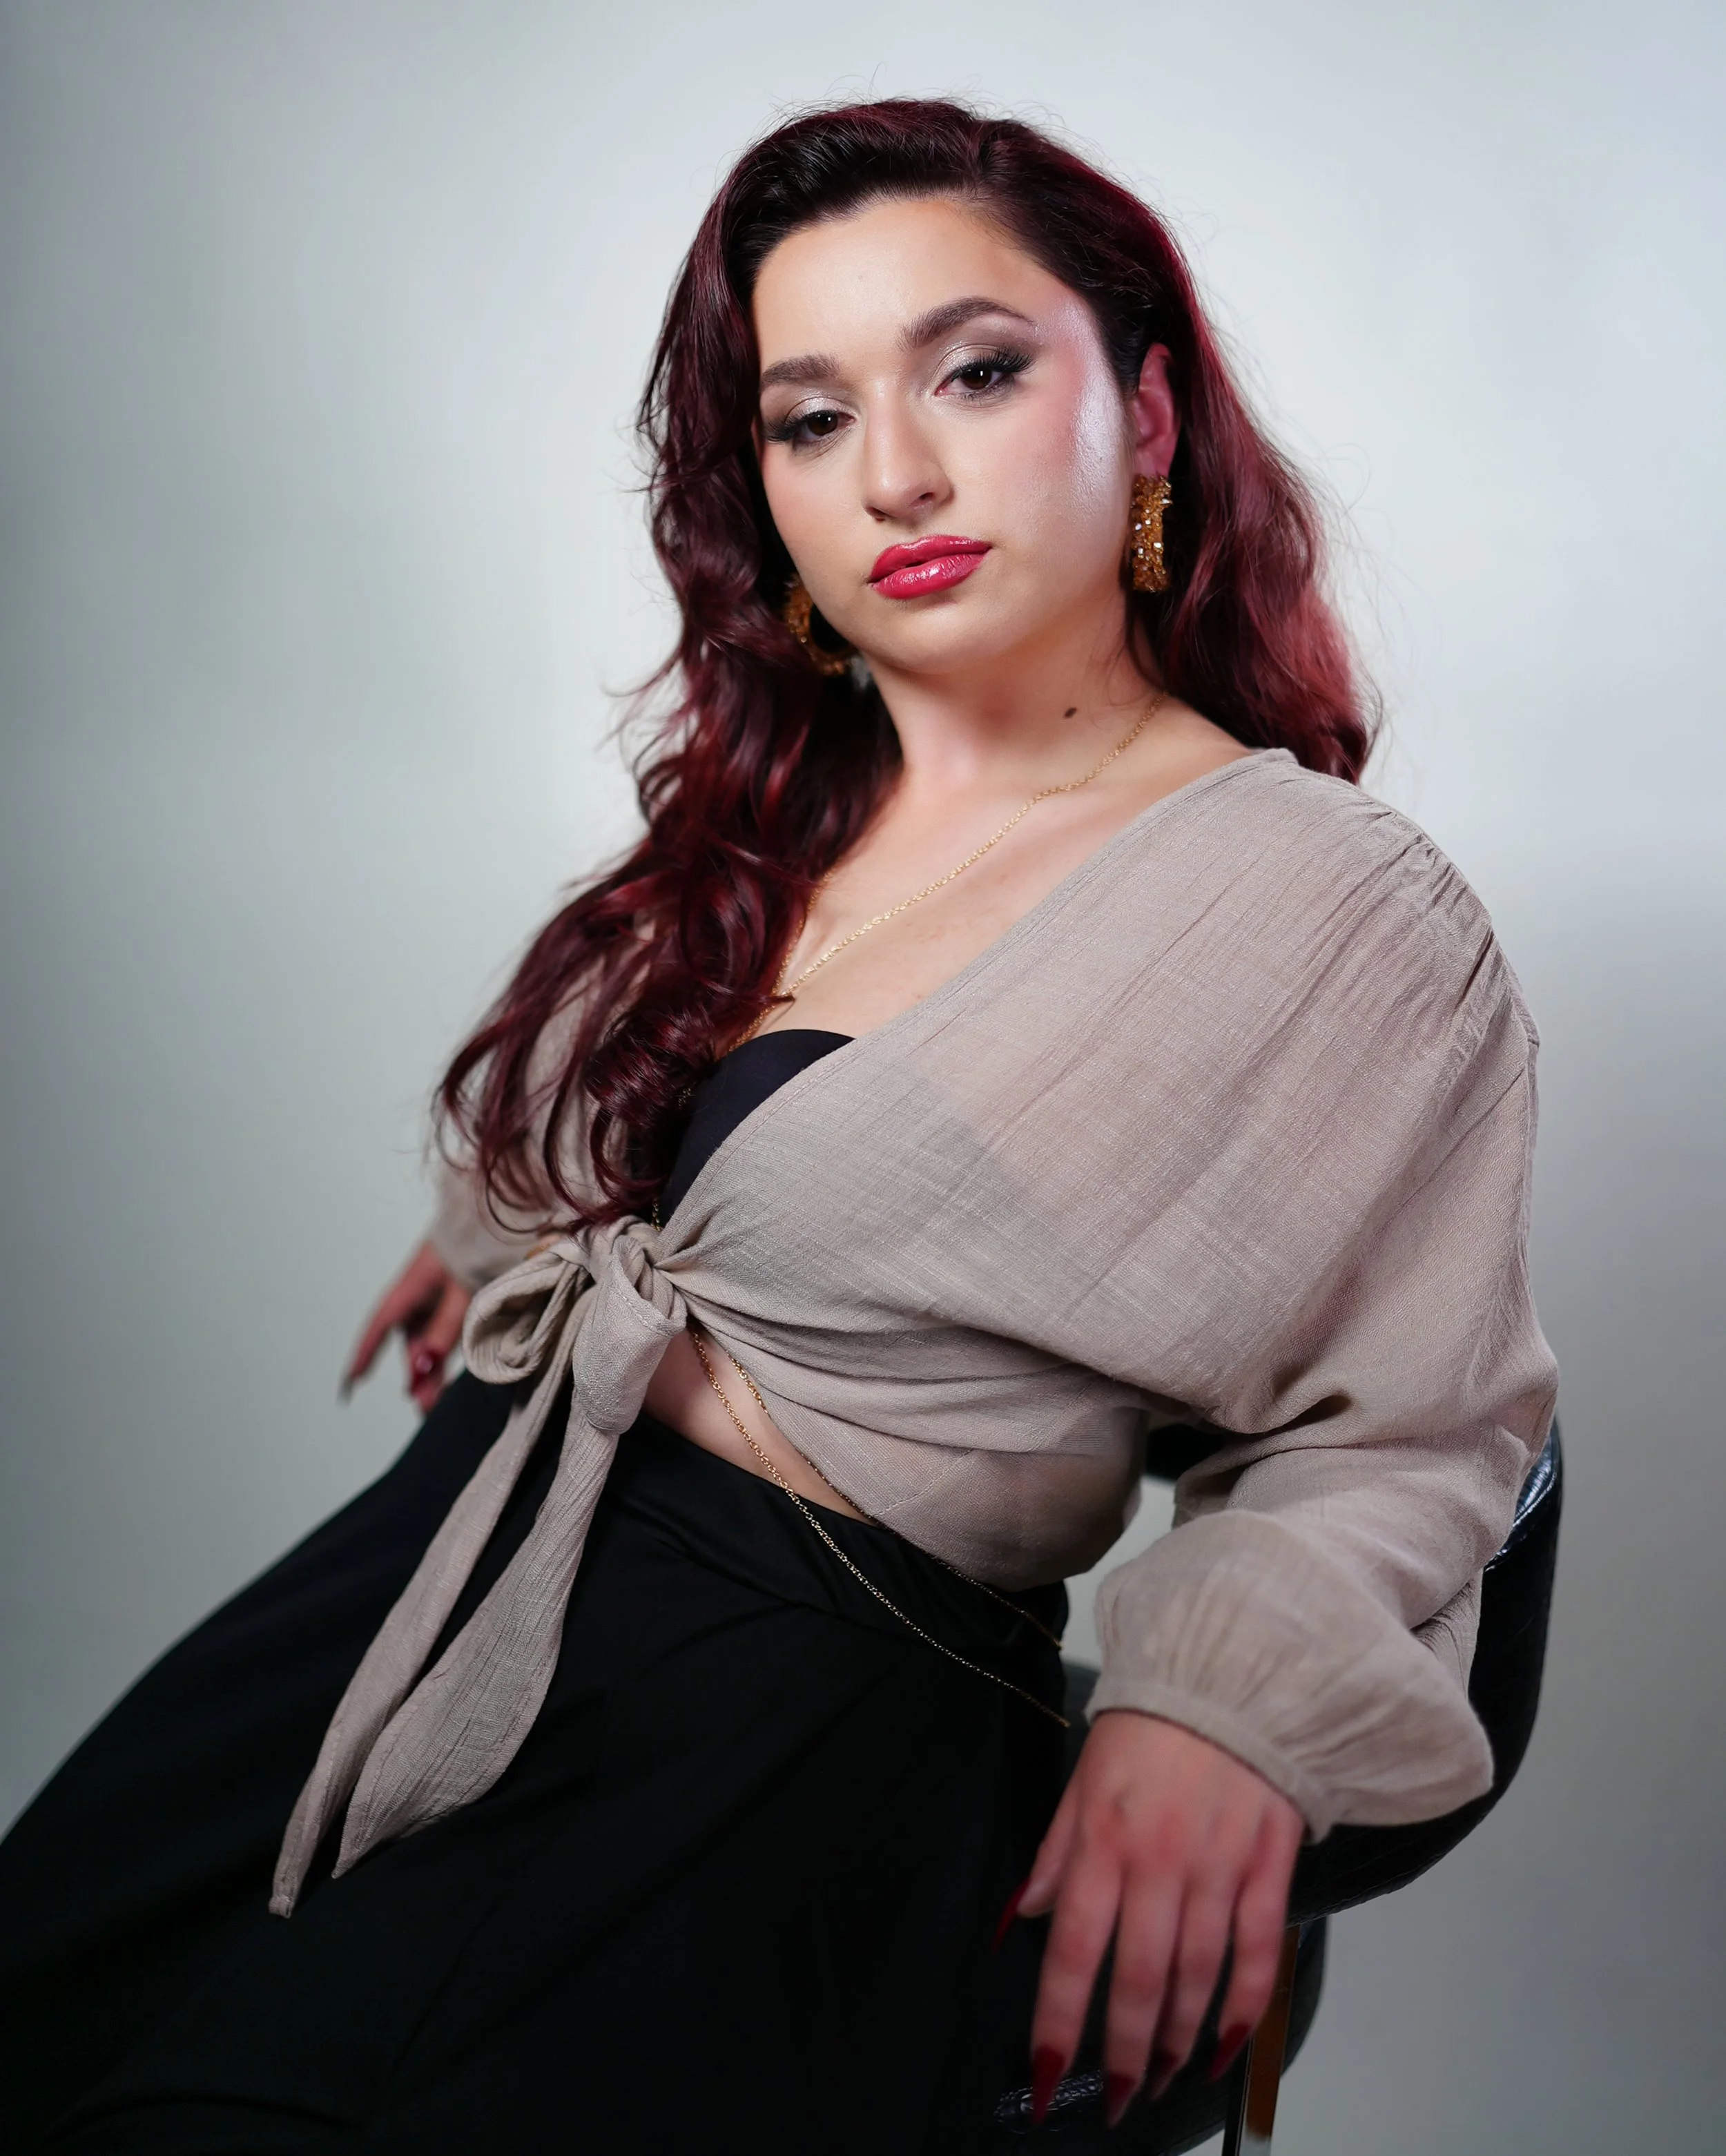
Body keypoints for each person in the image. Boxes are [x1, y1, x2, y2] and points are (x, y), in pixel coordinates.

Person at [0, 98, 1557, 2154]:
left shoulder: (1322, 904)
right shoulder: (771, 820)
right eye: (806, 420)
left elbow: (1420, 1420)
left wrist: (1220, 1706)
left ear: (1151, 412)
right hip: (427, 1574)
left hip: (764, 1701)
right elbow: (706, 1170)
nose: (892, 473)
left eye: (976, 373)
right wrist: (519, 1229)